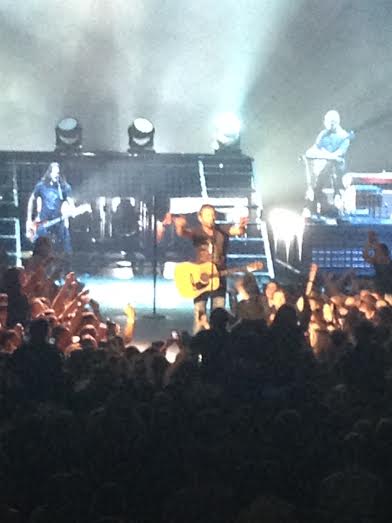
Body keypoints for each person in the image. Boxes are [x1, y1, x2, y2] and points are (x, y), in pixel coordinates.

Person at [163, 204, 248, 333]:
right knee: (200, 313)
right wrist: (179, 226)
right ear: (200, 217)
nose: (212, 217)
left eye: (213, 214)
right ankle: (197, 344)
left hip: (219, 275)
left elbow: (237, 231)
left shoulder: (221, 230)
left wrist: (241, 226)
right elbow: (183, 233)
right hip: (200, 277)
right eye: (208, 215)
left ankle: (217, 342)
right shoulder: (196, 232)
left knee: (219, 313)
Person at [305, 110, 351, 214]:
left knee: (330, 166)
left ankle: (337, 200)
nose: (328, 124)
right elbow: (312, 150)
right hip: (322, 167)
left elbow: (339, 154)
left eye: (331, 122)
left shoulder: (344, 136)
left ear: (337, 122)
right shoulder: (323, 134)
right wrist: (322, 155)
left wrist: (326, 156)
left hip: (337, 169)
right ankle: (315, 202)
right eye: (327, 121)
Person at [26, 162, 74, 257]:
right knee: (40, 249)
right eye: (55, 173)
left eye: (58, 173)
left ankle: (66, 266)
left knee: (66, 248)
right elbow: (32, 199)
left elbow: (71, 202)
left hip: (59, 222)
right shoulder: (41, 186)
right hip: (43, 223)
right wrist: (29, 219)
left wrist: (71, 210)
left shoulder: (64, 187)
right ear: (50, 173)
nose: (56, 175)